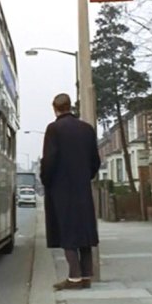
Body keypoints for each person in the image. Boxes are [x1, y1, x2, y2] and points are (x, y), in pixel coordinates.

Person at [40, 93, 101, 290]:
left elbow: (49, 160)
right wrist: (86, 176)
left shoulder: (54, 129)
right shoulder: (87, 129)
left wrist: (46, 181)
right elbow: (95, 161)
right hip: (82, 187)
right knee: (84, 231)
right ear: (70, 107)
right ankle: (86, 276)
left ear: (55, 108)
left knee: (67, 233)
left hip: (61, 188)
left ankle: (74, 278)